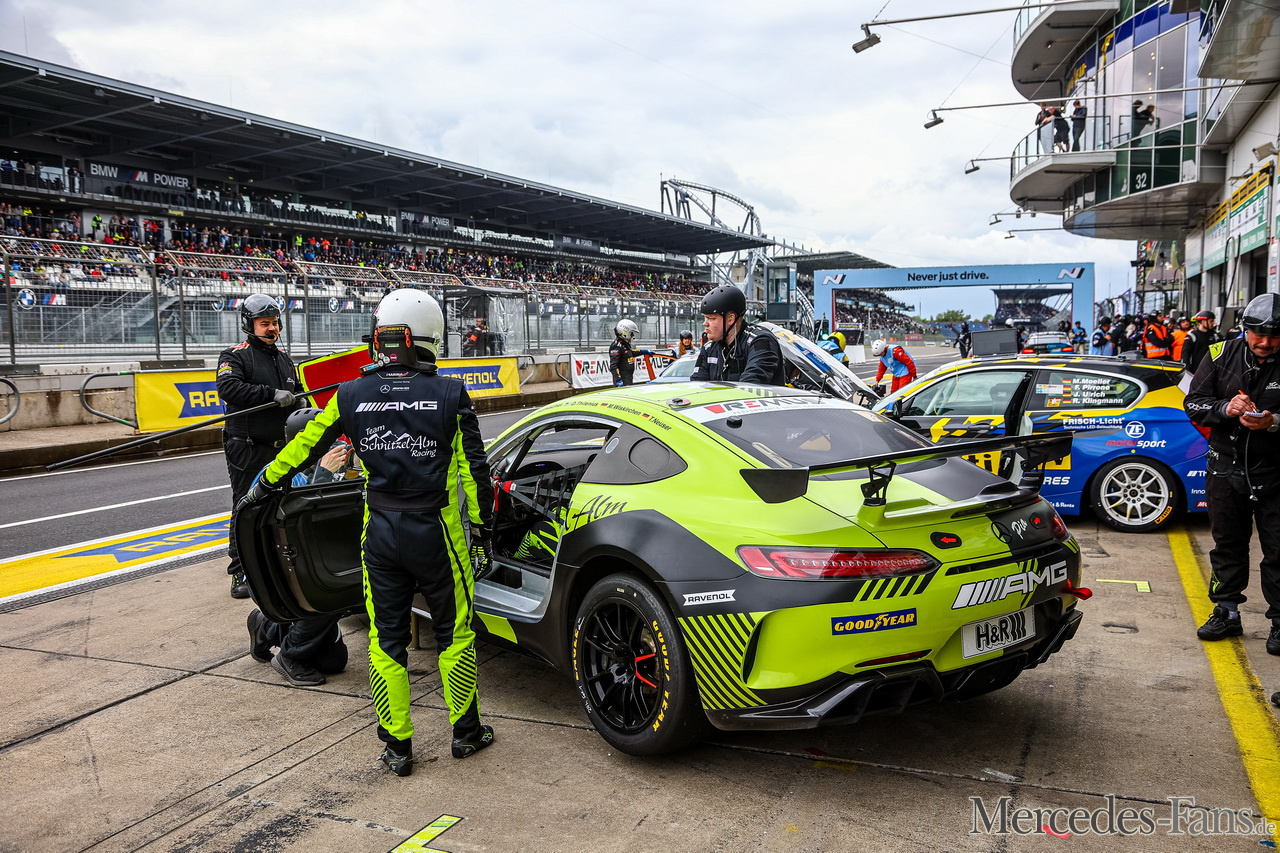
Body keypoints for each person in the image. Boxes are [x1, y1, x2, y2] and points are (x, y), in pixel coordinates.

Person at [244, 289, 495, 777]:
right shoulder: (450, 393)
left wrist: (263, 485)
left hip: (379, 535)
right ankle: (466, 733)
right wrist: (484, 531)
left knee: (385, 641)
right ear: (430, 335)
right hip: (437, 536)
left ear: (381, 336)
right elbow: (474, 472)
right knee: (455, 635)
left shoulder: (350, 393)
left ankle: (397, 747)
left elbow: (305, 444)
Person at [1184, 293, 1280, 656]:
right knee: (1227, 544)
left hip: (1275, 472)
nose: (1266, 342)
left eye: (1275, 336)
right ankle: (1226, 612)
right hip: (1225, 468)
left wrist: (1273, 422)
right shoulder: (1219, 353)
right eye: (1259, 334)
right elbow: (1193, 403)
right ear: (1245, 330)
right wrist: (1226, 408)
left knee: (1278, 550)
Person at [246, 407, 352, 687]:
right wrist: (324, 474)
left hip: (313, 560)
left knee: (334, 663)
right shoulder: (279, 474)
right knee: (331, 594)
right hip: (279, 570)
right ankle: (290, 656)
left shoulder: (336, 468)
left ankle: (266, 627)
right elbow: (305, 522)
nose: (334, 447)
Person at [217, 293, 300, 599]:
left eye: (275, 323)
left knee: (282, 503)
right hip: (247, 446)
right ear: (249, 325)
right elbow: (228, 388)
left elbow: (298, 392)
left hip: (282, 446)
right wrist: (270, 394)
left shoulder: (284, 359)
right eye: (265, 323)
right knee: (246, 505)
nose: (272, 328)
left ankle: (274, 563)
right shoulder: (234, 355)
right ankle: (240, 570)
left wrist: (302, 403)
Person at [690, 284, 786, 384]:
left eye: (711, 318)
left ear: (731, 318)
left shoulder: (761, 341)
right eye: (705, 318)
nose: (705, 323)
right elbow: (697, 385)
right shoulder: (709, 348)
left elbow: (751, 385)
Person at [1182, 310, 1219, 374]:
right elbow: (1186, 355)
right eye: (1211, 321)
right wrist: (1187, 370)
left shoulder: (1214, 335)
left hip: (1211, 370)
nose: (1213, 323)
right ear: (1203, 322)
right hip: (1195, 371)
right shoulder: (1192, 335)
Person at [609, 319, 639, 386]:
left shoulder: (624, 344)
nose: (633, 335)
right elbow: (613, 366)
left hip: (628, 378)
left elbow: (629, 353)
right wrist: (618, 380)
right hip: (622, 381)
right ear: (625, 332)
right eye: (631, 333)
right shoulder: (616, 345)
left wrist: (643, 352)